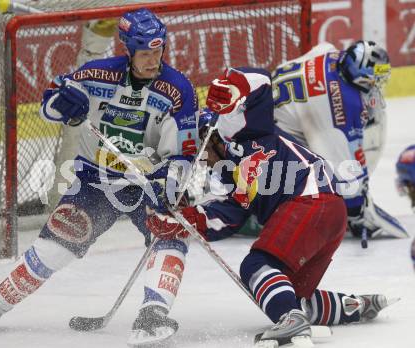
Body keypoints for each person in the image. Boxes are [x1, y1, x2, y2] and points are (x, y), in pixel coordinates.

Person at [0, 8, 198, 343]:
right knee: (56, 246)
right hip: (94, 179)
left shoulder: (178, 90)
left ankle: (153, 314)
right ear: (127, 49)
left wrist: (171, 183)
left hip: (149, 182)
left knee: (171, 233)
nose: (153, 61)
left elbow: (184, 152)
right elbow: (49, 106)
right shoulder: (97, 74)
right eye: (145, 54)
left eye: (158, 52)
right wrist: (64, 103)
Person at [145, 67, 395, 347]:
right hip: (329, 213)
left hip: (311, 201)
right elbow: (229, 216)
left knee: (256, 266)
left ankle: (291, 320)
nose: (201, 159)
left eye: (203, 149)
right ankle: (353, 306)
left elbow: (261, 83)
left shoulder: (249, 137)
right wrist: (182, 223)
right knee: (287, 294)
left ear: (214, 135)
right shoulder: (232, 171)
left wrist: (230, 87)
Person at [271, 40, 408, 242]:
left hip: (275, 111)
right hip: (268, 143)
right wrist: (356, 211)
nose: (377, 82)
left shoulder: (332, 55)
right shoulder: (336, 107)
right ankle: (268, 207)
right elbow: (342, 171)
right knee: (320, 176)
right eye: (374, 76)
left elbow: (322, 47)